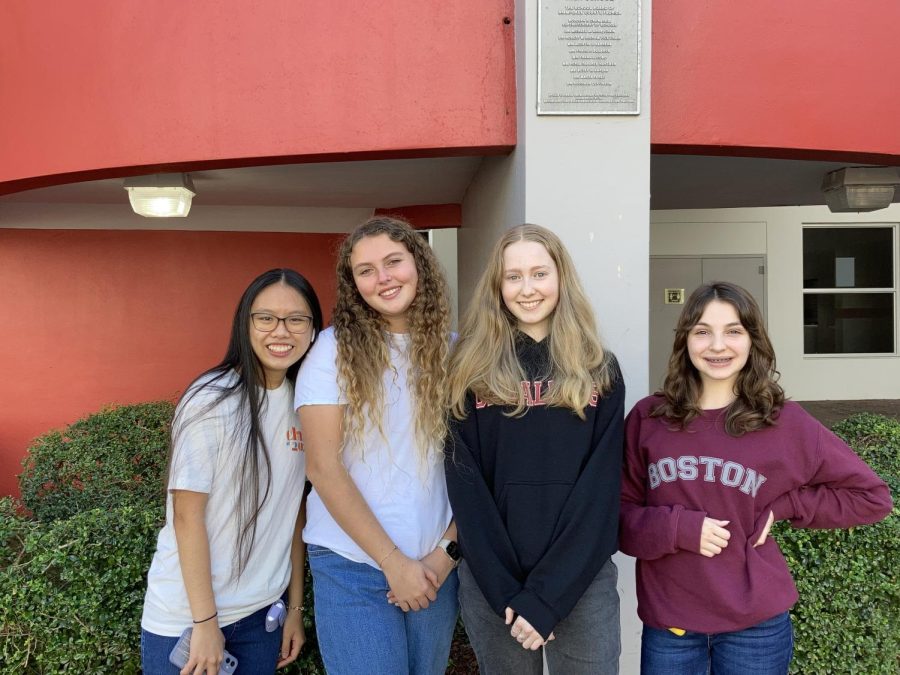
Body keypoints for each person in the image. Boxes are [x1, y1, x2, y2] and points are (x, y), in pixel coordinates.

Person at [620, 281, 893, 675]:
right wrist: (679, 527)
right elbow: (618, 520)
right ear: (685, 341)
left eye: (733, 331)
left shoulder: (783, 423)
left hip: (757, 631)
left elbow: (872, 497)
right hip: (671, 629)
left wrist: (786, 506)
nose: (718, 346)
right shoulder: (650, 419)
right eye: (702, 332)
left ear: (752, 340)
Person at [445, 224, 625, 675]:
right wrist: (511, 593)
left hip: (581, 581)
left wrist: (548, 596)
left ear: (561, 279)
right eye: (513, 277)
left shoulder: (597, 369)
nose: (527, 289)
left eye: (539, 274)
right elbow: (466, 490)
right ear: (497, 287)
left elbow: (601, 492)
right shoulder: (469, 367)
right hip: (495, 585)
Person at [295, 216, 458, 675]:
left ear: (419, 265)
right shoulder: (332, 351)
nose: (382, 278)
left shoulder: (455, 351)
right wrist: (392, 564)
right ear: (353, 285)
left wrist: (447, 553)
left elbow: (479, 466)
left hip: (435, 565)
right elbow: (322, 468)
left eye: (393, 262)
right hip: (353, 566)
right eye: (365, 270)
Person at [141, 269, 323, 675]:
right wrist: (205, 623)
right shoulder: (212, 399)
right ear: (246, 323)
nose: (282, 331)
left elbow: (293, 511)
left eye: (297, 319)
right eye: (266, 318)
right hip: (186, 619)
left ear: (312, 330)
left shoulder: (305, 403)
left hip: (262, 617)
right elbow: (187, 517)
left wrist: (294, 608)